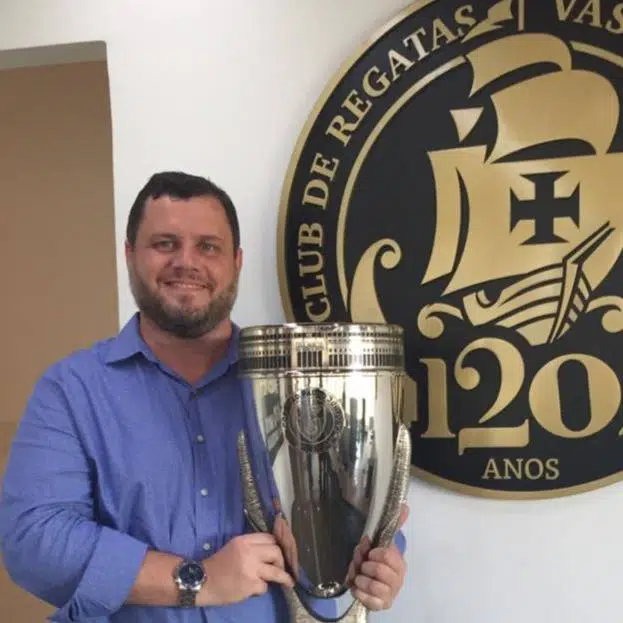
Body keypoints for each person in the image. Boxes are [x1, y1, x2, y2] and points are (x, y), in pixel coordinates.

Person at [0, 171, 409, 622]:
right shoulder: (71, 391)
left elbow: (346, 506)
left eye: (207, 247)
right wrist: (198, 579)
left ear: (236, 261)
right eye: (165, 244)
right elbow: (34, 542)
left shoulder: (305, 381)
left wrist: (375, 562)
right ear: (130, 255)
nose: (186, 262)